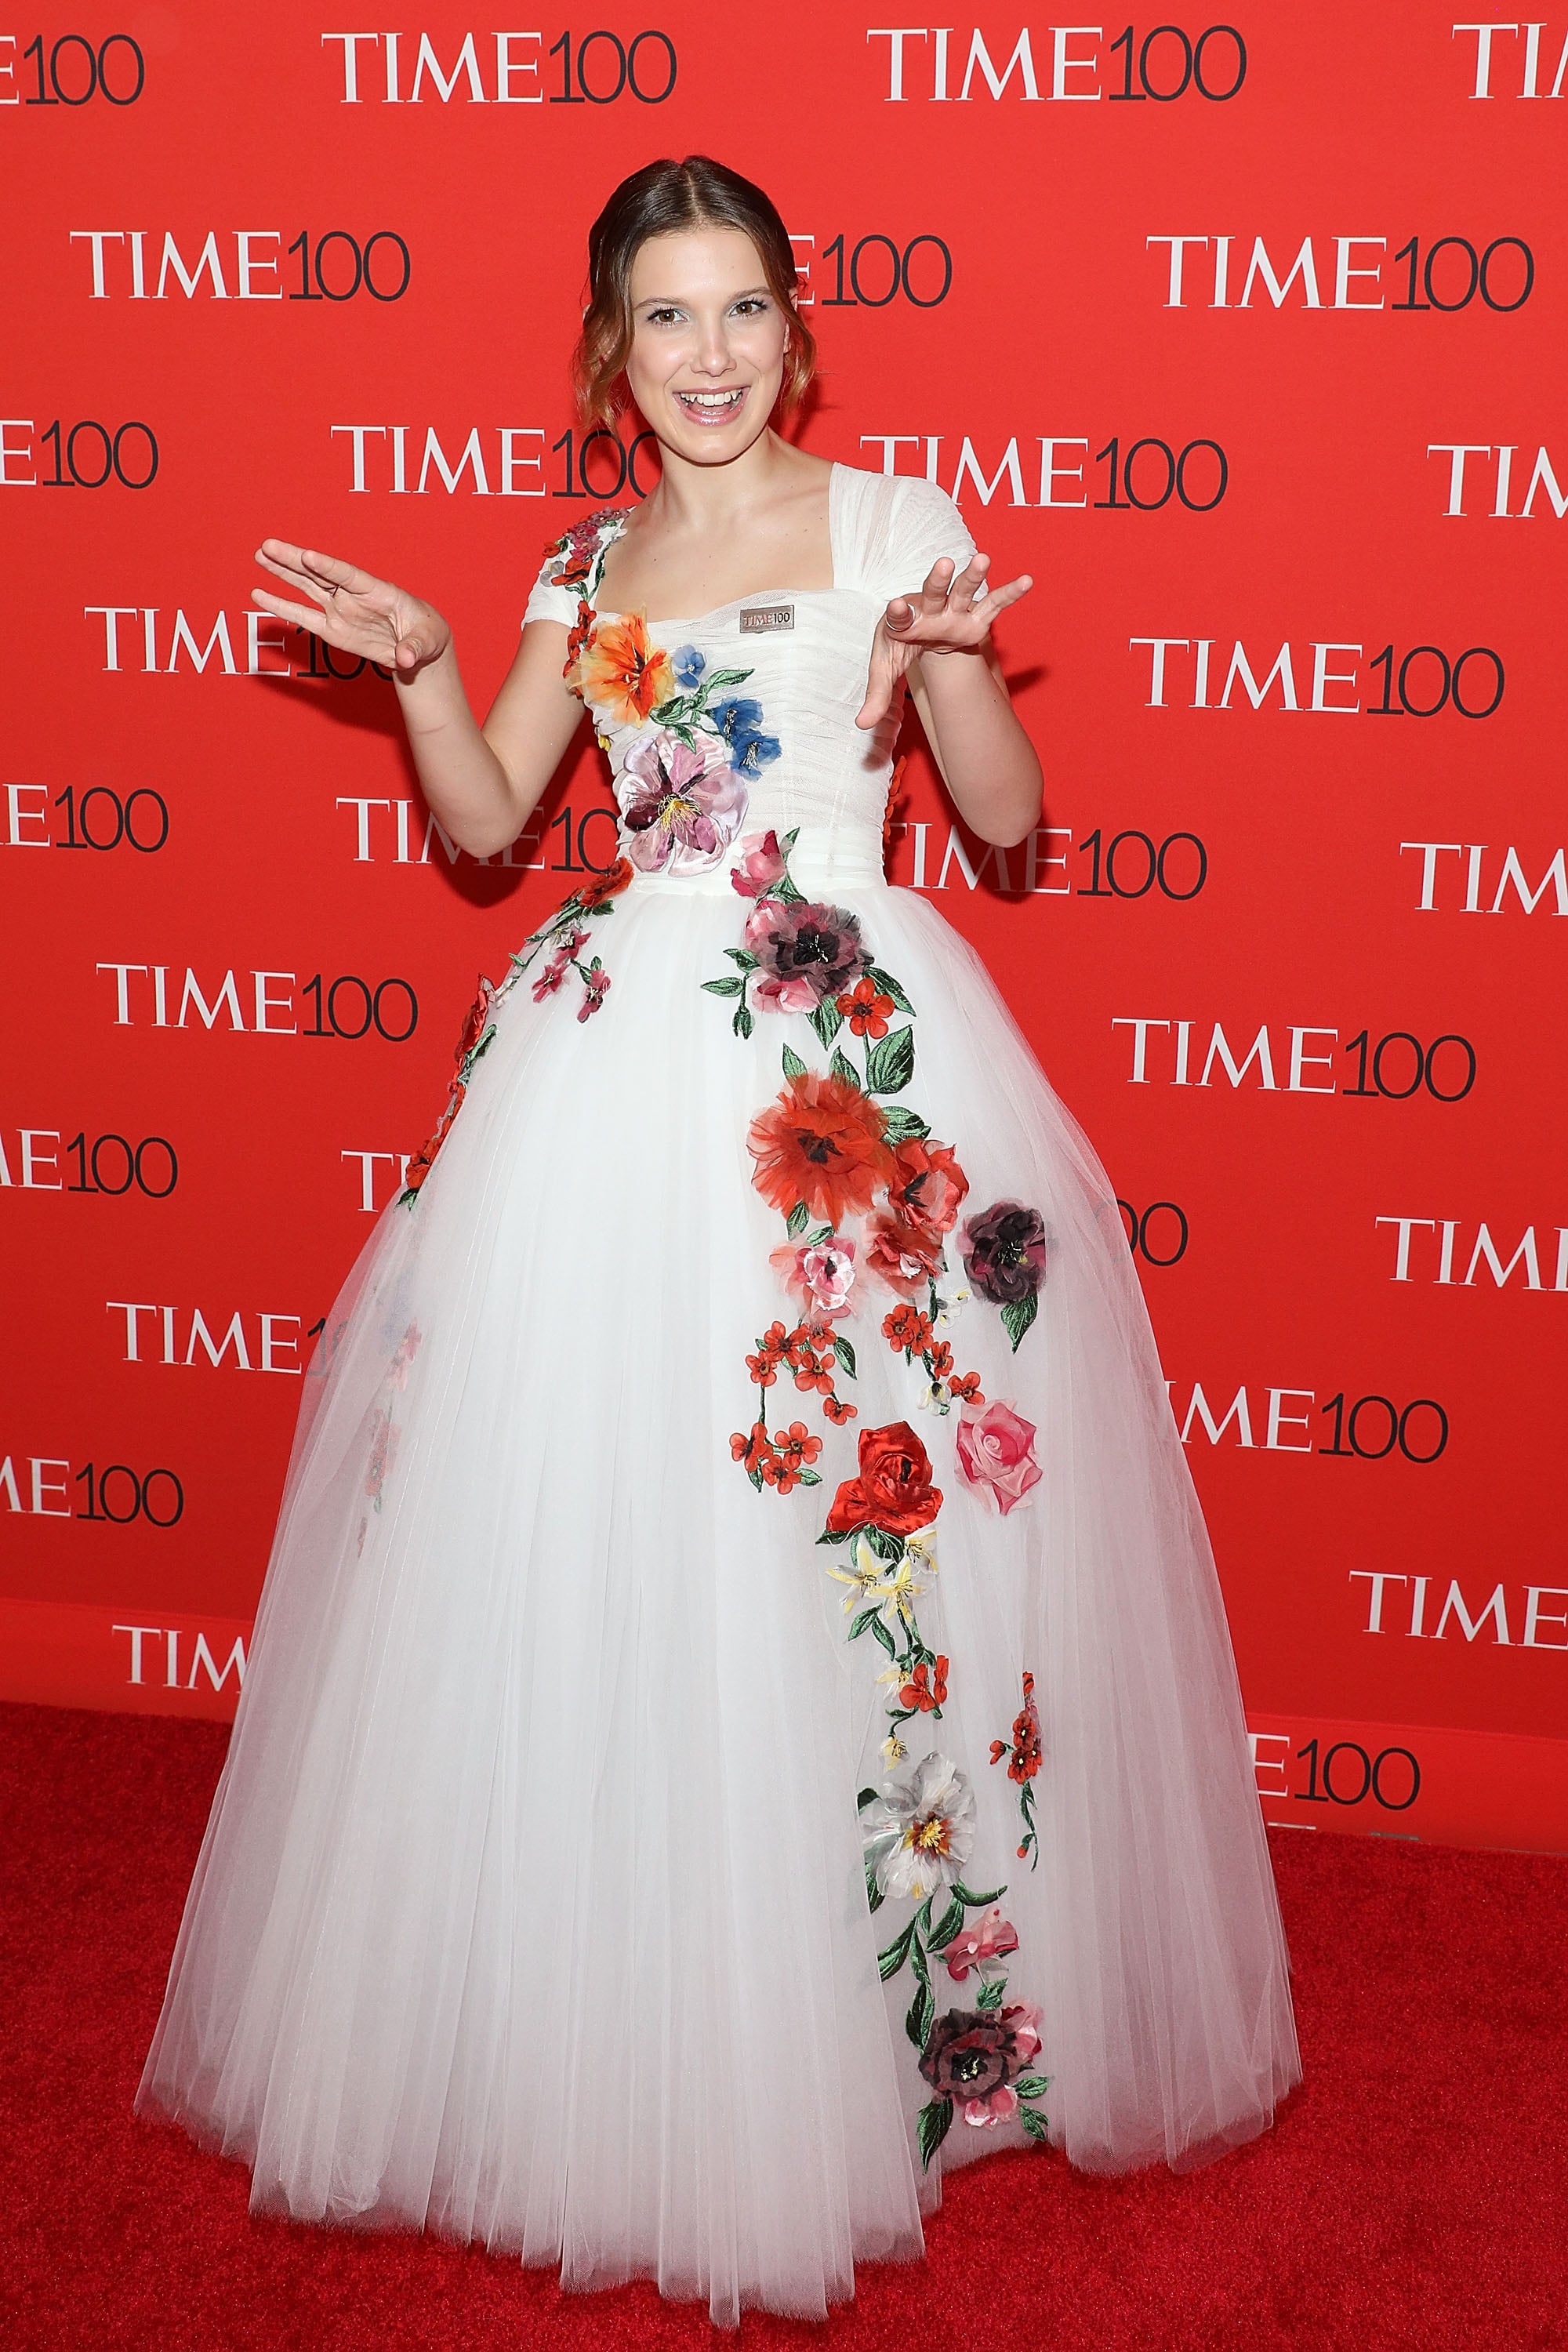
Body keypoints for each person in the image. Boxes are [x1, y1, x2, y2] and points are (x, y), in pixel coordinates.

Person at [135, 155, 1300, 2325]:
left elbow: (1013, 815)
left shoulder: (898, 528)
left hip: (850, 1074)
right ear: (611, 346)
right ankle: (634, 2012)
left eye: (742, 307)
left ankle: (890, 2032)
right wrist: (412, 666)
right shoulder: (582, 564)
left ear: (795, 322)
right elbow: (492, 826)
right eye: (665, 316)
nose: (707, 352)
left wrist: (950, 662)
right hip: (621, 1073)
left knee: (876, 1541)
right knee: (628, 1536)